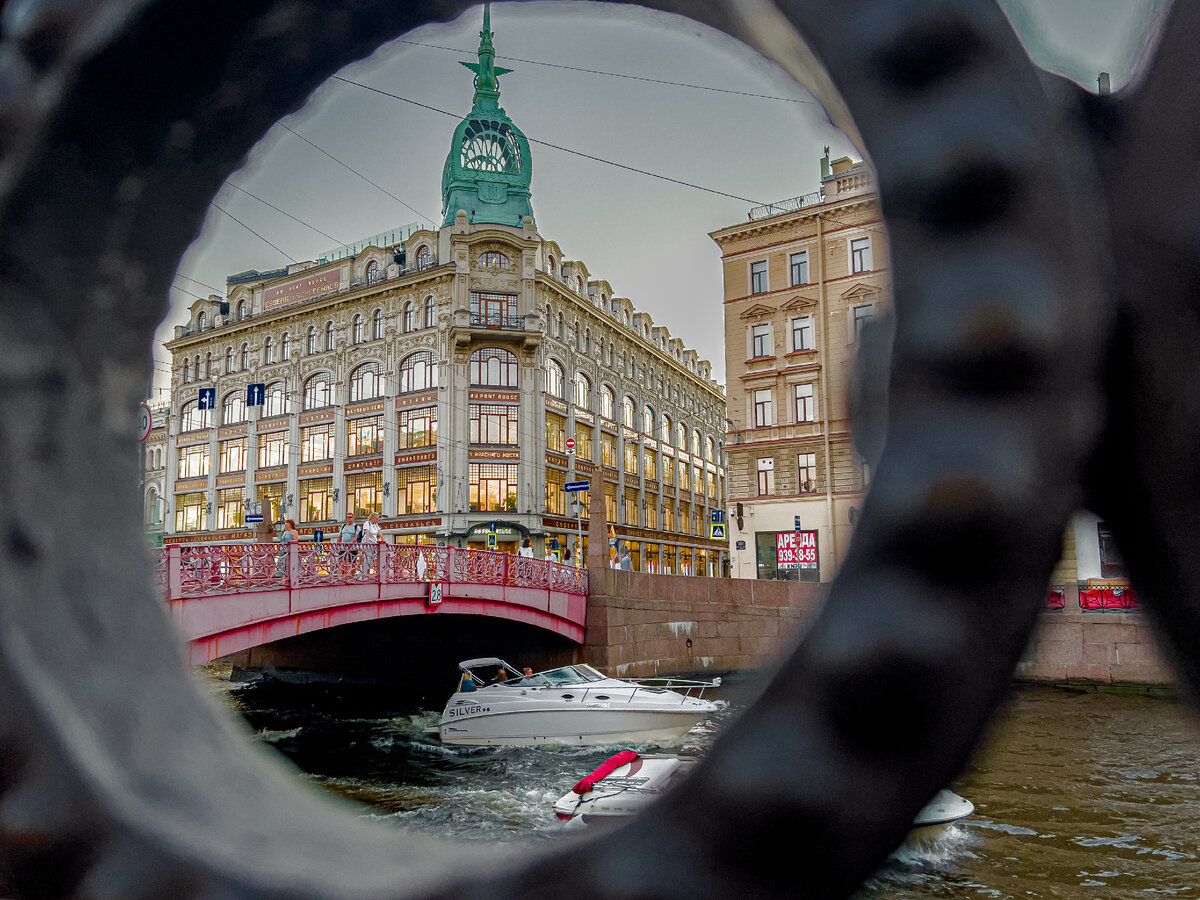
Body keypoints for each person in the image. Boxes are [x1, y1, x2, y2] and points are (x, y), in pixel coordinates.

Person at [337, 513, 359, 578]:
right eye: (347, 517)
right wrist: (338, 544)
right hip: (343, 546)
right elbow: (340, 536)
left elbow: (356, 537)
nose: (348, 518)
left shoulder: (356, 527)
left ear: (353, 518)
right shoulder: (343, 526)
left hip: (352, 547)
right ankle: (341, 576)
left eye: (350, 517)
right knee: (341, 561)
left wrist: (351, 543)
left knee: (352, 562)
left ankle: (351, 576)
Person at [361, 511, 382, 576]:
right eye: (376, 518)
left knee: (371, 560)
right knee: (367, 558)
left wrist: (384, 541)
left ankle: (365, 573)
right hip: (368, 543)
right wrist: (367, 542)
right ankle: (362, 574)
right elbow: (367, 532)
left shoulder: (376, 525)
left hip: (373, 544)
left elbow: (379, 533)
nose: (378, 520)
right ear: (372, 518)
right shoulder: (367, 523)